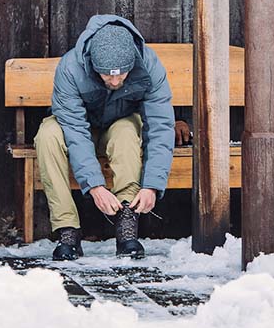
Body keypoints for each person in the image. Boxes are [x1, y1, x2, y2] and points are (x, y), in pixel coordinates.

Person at [35, 14, 190, 260]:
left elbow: (160, 125)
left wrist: (152, 186)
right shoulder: (70, 67)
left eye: (122, 74)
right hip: (76, 126)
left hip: (120, 122)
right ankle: (68, 231)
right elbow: (74, 129)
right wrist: (95, 186)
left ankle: (126, 226)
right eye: (107, 75)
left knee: (127, 131)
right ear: (93, 64)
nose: (115, 81)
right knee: (47, 135)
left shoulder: (149, 64)